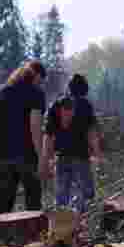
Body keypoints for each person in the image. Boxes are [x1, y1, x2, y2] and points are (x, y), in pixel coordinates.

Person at [0, 60, 47, 213]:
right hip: (28, 159)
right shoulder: (37, 94)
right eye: (39, 81)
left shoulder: (0, 92)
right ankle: (33, 236)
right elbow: (34, 126)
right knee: (33, 206)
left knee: (3, 205)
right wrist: (41, 157)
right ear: (34, 78)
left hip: (4, 157)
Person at [43, 73, 102, 214]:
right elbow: (91, 133)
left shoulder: (56, 105)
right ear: (85, 89)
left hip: (61, 158)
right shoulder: (86, 106)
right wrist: (97, 154)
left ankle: (62, 229)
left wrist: (46, 159)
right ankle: (81, 230)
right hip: (81, 158)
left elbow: (48, 135)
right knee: (84, 199)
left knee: (62, 200)